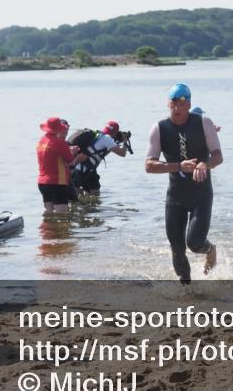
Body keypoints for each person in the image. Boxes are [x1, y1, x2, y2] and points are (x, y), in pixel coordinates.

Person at [145, 83, 223, 285]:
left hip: (201, 195)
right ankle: (187, 290)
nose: (177, 108)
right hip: (176, 197)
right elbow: (149, 165)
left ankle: (210, 250)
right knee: (177, 249)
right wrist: (179, 166)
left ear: (188, 104)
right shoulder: (159, 128)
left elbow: (218, 156)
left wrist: (205, 164)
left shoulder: (203, 122)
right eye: (173, 103)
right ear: (168, 103)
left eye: (182, 104)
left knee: (194, 243)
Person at [37, 117, 85, 214]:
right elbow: (71, 162)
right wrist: (76, 156)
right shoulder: (60, 142)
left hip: (42, 183)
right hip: (57, 182)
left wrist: (68, 150)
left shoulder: (41, 140)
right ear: (58, 129)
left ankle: (47, 224)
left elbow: (52, 155)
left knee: (49, 212)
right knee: (61, 215)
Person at [70, 121, 130, 195]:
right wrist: (125, 141)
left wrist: (114, 145)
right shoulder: (107, 138)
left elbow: (99, 154)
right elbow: (122, 153)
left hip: (77, 169)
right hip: (88, 171)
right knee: (95, 194)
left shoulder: (98, 135)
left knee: (78, 194)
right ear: (115, 132)